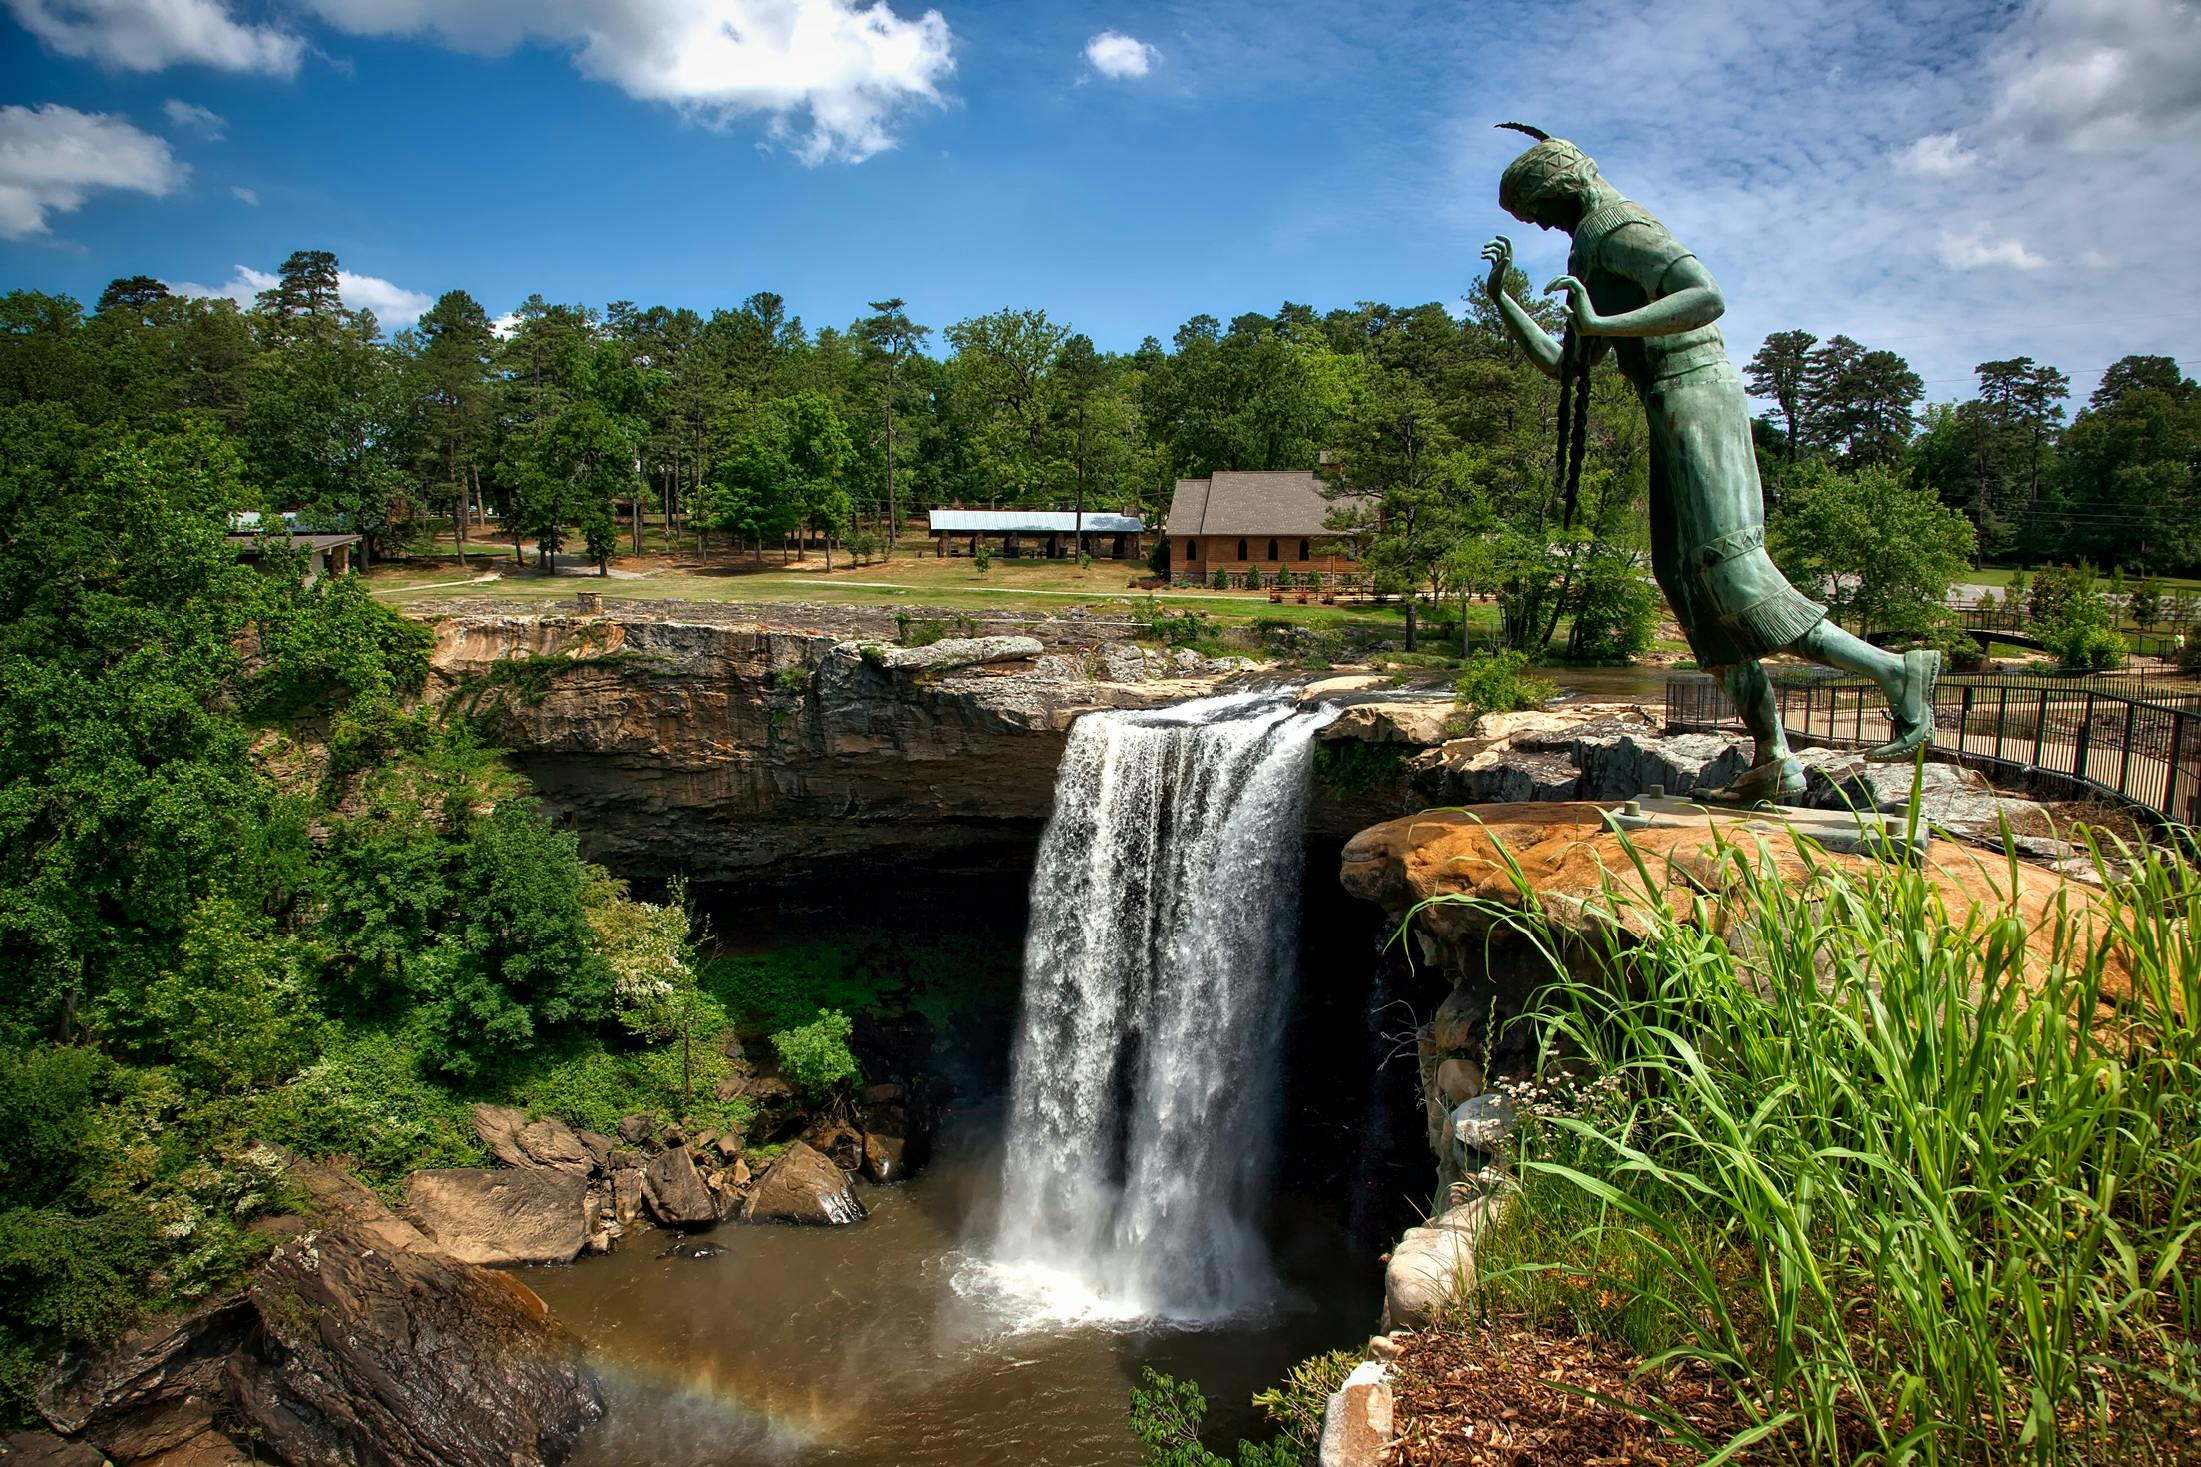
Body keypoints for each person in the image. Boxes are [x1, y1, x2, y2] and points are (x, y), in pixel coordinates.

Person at [1482, 124, 1937, 802]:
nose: (1544, 226)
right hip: (1666, 406)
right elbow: (1568, 364)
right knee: (1684, 582)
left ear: (1564, 184)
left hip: (1696, 396)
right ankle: (1773, 755)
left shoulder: (1615, 225)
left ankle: (1893, 670)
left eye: (1541, 210)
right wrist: (1503, 300)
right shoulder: (1587, 246)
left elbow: (1703, 295)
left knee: (1731, 568)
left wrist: (1606, 325)